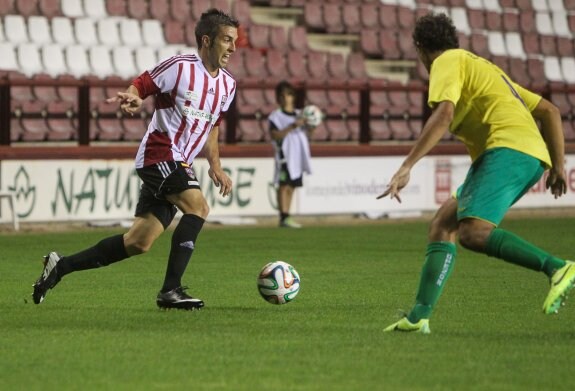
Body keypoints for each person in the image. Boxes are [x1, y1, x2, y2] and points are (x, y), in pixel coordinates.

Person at [32, 9, 239, 310]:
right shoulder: (180, 68)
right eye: (226, 40)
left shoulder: (228, 85)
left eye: (235, 41)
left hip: (179, 161)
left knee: (138, 242)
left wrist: (215, 165)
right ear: (206, 40)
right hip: (160, 153)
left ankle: (59, 267)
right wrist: (134, 96)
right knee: (199, 207)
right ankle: (171, 291)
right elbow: (142, 84)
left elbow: (214, 124)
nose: (233, 48)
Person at [379, 12, 574, 334]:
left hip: (508, 150)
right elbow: (549, 111)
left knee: (473, 233)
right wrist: (557, 166)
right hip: (519, 152)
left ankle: (558, 268)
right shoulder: (483, 68)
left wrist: (407, 165)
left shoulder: (445, 62)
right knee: (443, 224)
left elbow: (444, 114)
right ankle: (417, 318)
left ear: (419, 48)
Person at [268, 81, 314, 228]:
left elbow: (309, 134)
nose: (284, 98)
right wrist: (293, 126)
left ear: (292, 96)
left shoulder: (301, 114)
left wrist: (313, 124)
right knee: (283, 185)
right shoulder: (275, 116)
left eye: (287, 94)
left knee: (292, 185)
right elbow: (275, 135)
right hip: (284, 155)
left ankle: (287, 215)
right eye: (281, 95)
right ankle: (283, 216)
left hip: (298, 156)